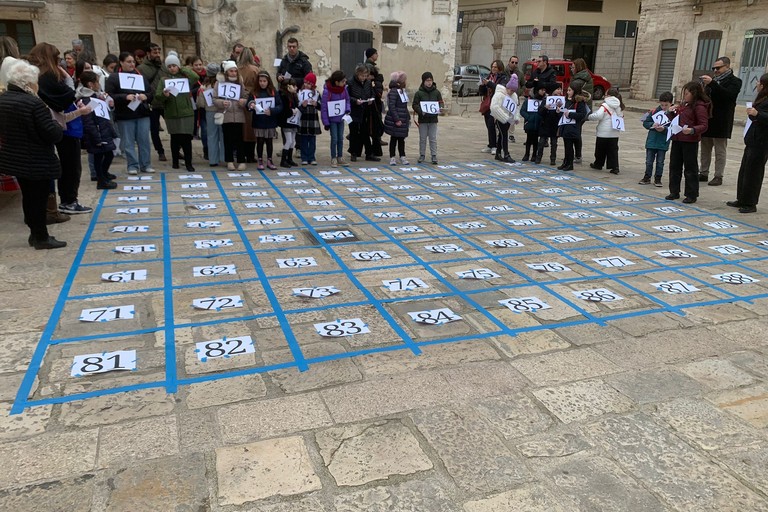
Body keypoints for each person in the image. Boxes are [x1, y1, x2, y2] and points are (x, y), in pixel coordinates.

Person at [0, 57, 67, 249]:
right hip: (36, 159)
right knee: (38, 199)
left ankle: (34, 233)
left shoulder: (3, 100)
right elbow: (52, 133)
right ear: (28, 83)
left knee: (28, 197)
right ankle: (41, 237)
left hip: (16, 157)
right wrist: (55, 123)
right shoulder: (33, 103)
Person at [28, 42, 93, 216]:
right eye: (56, 58)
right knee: (70, 165)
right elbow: (64, 98)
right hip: (60, 125)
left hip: (49, 125)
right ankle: (68, 201)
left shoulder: (38, 74)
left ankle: (58, 203)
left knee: (63, 165)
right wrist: (70, 84)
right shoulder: (47, 76)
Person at [105, 51, 154, 175]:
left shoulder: (140, 76)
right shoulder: (114, 77)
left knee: (144, 140)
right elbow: (109, 95)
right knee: (128, 142)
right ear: (121, 62)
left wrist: (145, 96)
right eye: (128, 62)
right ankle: (132, 165)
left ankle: (146, 164)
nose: (132, 64)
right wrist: (125, 97)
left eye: (133, 61)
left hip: (142, 113)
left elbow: (150, 93)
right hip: (125, 115)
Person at [727, 73, 768, 213]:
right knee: (745, 170)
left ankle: (750, 203)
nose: (756, 84)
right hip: (752, 139)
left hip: (762, 142)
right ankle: (741, 198)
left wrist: (758, 114)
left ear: (763, 85)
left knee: (754, 173)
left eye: (758, 82)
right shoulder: (761, 98)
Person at [698, 56, 742, 186]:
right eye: (714, 68)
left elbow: (728, 96)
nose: (715, 70)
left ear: (727, 66)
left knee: (720, 150)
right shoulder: (712, 81)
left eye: (718, 68)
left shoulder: (735, 81)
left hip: (722, 120)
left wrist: (712, 84)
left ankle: (718, 175)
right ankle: (703, 172)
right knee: (705, 148)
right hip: (708, 118)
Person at [666, 81, 711, 204]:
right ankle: (674, 191)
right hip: (677, 138)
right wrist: (670, 112)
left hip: (690, 141)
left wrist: (692, 130)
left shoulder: (699, 106)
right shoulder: (683, 105)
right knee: (674, 166)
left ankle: (691, 194)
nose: (684, 96)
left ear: (694, 93)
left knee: (690, 168)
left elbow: (704, 125)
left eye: (687, 93)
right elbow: (675, 120)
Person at [155, 51, 198, 171]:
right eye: (169, 66)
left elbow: (196, 77)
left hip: (186, 113)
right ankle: (175, 162)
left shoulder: (185, 78)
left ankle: (189, 163)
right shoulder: (164, 80)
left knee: (186, 139)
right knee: (175, 138)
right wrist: (165, 95)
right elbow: (158, 96)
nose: (172, 68)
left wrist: (183, 68)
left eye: (174, 65)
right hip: (171, 113)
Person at [77, 70, 119, 189]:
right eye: (96, 82)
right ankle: (101, 180)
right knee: (99, 156)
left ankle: (104, 174)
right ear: (91, 84)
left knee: (109, 154)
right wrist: (96, 136)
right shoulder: (86, 100)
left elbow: (102, 113)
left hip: (103, 130)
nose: (99, 84)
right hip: (97, 133)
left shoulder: (95, 96)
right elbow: (88, 121)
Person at [214, 60, 249, 171]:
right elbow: (214, 98)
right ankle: (229, 161)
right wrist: (221, 103)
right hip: (226, 115)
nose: (233, 73)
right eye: (231, 71)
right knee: (227, 139)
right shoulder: (219, 83)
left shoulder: (240, 82)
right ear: (226, 72)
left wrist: (243, 101)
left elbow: (245, 95)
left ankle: (241, 161)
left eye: (235, 71)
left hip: (238, 115)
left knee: (240, 139)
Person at [137, 43, 167, 161]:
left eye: (159, 52)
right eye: (155, 52)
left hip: (165, 102)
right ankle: (160, 151)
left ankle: (177, 150)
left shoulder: (164, 66)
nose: (157, 55)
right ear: (148, 54)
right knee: (154, 129)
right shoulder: (141, 69)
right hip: (152, 103)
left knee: (172, 127)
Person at [248, 70, 282, 170]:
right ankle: (260, 159)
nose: (262, 83)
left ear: (268, 81)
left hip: (270, 121)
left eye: (264, 81)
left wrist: (272, 111)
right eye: (260, 81)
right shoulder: (254, 92)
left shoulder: (273, 91)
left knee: (269, 141)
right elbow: (248, 104)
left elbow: (280, 105)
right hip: (258, 121)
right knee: (260, 141)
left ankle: (270, 160)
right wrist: (251, 104)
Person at [639, 91, 673, 187]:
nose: (663, 107)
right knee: (649, 161)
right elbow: (646, 122)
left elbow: (673, 128)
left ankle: (658, 178)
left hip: (663, 142)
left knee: (660, 162)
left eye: (666, 105)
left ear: (670, 103)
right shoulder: (654, 112)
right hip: (652, 140)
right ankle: (647, 176)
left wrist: (664, 129)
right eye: (662, 105)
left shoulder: (672, 114)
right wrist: (652, 124)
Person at [588, 87, 624, 174]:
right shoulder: (619, 106)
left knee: (600, 150)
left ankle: (598, 164)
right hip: (614, 132)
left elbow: (598, 116)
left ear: (609, 96)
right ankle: (615, 167)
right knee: (613, 151)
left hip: (603, 132)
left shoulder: (605, 105)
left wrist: (590, 116)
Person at [347, 64, 380, 162]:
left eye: (366, 76)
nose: (364, 78)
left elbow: (372, 93)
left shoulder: (368, 82)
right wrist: (355, 101)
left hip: (365, 110)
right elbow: (347, 96)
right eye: (362, 76)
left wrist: (370, 99)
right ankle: (353, 153)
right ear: (357, 74)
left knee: (365, 132)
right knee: (353, 132)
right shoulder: (350, 82)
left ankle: (369, 153)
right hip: (354, 110)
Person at [412, 71, 444, 165]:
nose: (429, 82)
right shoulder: (419, 93)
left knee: (433, 138)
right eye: (427, 80)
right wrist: (420, 111)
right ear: (423, 81)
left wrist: (441, 107)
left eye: (430, 80)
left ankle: (434, 155)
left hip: (433, 119)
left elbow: (440, 101)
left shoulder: (436, 92)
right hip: (423, 119)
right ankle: (422, 154)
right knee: (422, 138)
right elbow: (415, 104)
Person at [321, 70, 350, 167]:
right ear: (336, 82)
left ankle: (340, 156)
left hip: (341, 118)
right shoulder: (327, 91)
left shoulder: (344, 89)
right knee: (334, 139)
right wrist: (326, 122)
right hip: (332, 120)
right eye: (342, 81)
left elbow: (347, 100)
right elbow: (324, 107)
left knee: (340, 138)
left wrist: (347, 110)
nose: (344, 83)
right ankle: (333, 157)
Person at [557, 82, 588, 171]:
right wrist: (560, 110)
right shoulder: (568, 100)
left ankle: (570, 164)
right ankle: (566, 162)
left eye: (570, 90)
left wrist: (570, 114)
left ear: (575, 91)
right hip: (566, 126)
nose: (567, 92)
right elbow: (565, 111)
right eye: (568, 90)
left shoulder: (579, 102)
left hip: (573, 127)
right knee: (567, 146)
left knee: (570, 147)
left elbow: (582, 115)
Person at [198, 62, 225, 166]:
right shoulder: (221, 84)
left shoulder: (204, 86)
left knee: (211, 135)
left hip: (209, 111)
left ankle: (213, 159)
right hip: (221, 110)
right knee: (223, 135)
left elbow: (200, 103)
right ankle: (224, 157)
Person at [478, 60, 507, 155]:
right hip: (488, 103)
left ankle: (495, 146)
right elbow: (482, 92)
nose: (493, 69)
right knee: (488, 125)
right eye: (492, 67)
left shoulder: (503, 77)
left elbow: (500, 88)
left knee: (492, 125)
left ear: (500, 68)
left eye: (495, 67)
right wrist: (482, 85)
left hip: (496, 104)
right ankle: (491, 144)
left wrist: (489, 83)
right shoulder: (489, 76)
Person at [238, 47, 262, 162]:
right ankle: (251, 155)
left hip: (239, 97)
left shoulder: (237, 69)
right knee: (251, 128)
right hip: (252, 97)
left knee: (242, 128)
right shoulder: (255, 69)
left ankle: (242, 153)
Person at [384, 71, 410, 165]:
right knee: (394, 139)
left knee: (401, 139)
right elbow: (392, 106)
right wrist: (397, 119)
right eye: (404, 80)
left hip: (403, 118)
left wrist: (407, 117)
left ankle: (402, 156)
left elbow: (405, 106)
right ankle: (392, 157)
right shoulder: (394, 92)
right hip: (396, 119)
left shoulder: (402, 91)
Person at [490, 76, 518, 163]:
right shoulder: (499, 94)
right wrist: (503, 117)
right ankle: (506, 154)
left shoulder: (514, 96)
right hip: (500, 118)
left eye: (513, 91)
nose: (512, 92)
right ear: (507, 88)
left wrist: (515, 118)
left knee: (501, 136)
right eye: (510, 90)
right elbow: (494, 107)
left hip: (508, 120)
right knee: (504, 135)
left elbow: (516, 107)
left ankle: (498, 154)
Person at [297, 72, 321, 165]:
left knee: (312, 139)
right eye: (306, 83)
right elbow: (297, 105)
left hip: (312, 118)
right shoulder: (300, 92)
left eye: (309, 84)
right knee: (303, 138)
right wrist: (302, 105)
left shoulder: (317, 93)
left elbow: (321, 106)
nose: (307, 85)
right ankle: (304, 157)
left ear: (313, 85)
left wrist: (316, 104)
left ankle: (312, 157)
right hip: (303, 118)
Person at [535, 83, 562, 165]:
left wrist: (558, 111)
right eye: (557, 89)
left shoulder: (561, 100)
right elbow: (539, 112)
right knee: (541, 142)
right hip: (545, 124)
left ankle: (553, 159)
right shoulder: (546, 99)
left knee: (554, 143)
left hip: (555, 125)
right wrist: (545, 108)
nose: (559, 90)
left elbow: (562, 114)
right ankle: (538, 157)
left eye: (560, 89)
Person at [364, 47, 385, 155]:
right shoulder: (369, 66)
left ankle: (377, 138)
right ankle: (375, 139)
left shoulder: (371, 65)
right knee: (373, 120)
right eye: (376, 53)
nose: (377, 55)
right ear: (371, 55)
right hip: (372, 98)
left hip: (373, 97)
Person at [277, 78, 300, 168]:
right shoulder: (283, 96)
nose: (296, 88)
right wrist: (291, 112)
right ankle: (283, 160)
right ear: (288, 87)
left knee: (293, 141)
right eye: (294, 86)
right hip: (286, 122)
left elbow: (297, 105)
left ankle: (289, 159)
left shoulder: (294, 95)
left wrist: (297, 109)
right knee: (288, 140)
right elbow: (284, 109)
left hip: (293, 121)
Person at [520, 84, 546, 161]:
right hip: (530, 123)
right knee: (528, 140)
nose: (543, 92)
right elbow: (522, 111)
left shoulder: (544, 101)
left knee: (535, 141)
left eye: (544, 90)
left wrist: (542, 119)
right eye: (541, 90)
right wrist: (528, 118)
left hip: (538, 123)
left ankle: (534, 154)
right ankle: (526, 154)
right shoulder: (528, 100)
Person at [505, 56, 523, 143]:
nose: (514, 64)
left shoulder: (520, 73)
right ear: (509, 62)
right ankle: (500, 132)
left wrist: (519, 91)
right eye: (512, 62)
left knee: (513, 116)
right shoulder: (504, 72)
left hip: (515, 97)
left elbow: (523, 84)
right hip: (505, 97)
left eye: (516, 63)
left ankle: (511, 134)